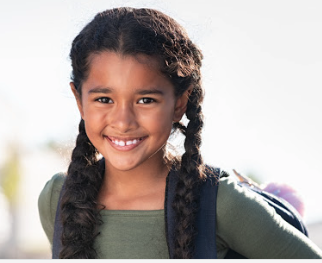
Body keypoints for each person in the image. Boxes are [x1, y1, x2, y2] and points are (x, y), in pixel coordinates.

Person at [38, 7, 322, 259]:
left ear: (179, 103)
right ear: (79, 100)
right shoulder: (58, 199)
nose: (123, 122)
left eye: (145, 100)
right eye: (104, 99)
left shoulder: (223, 204)